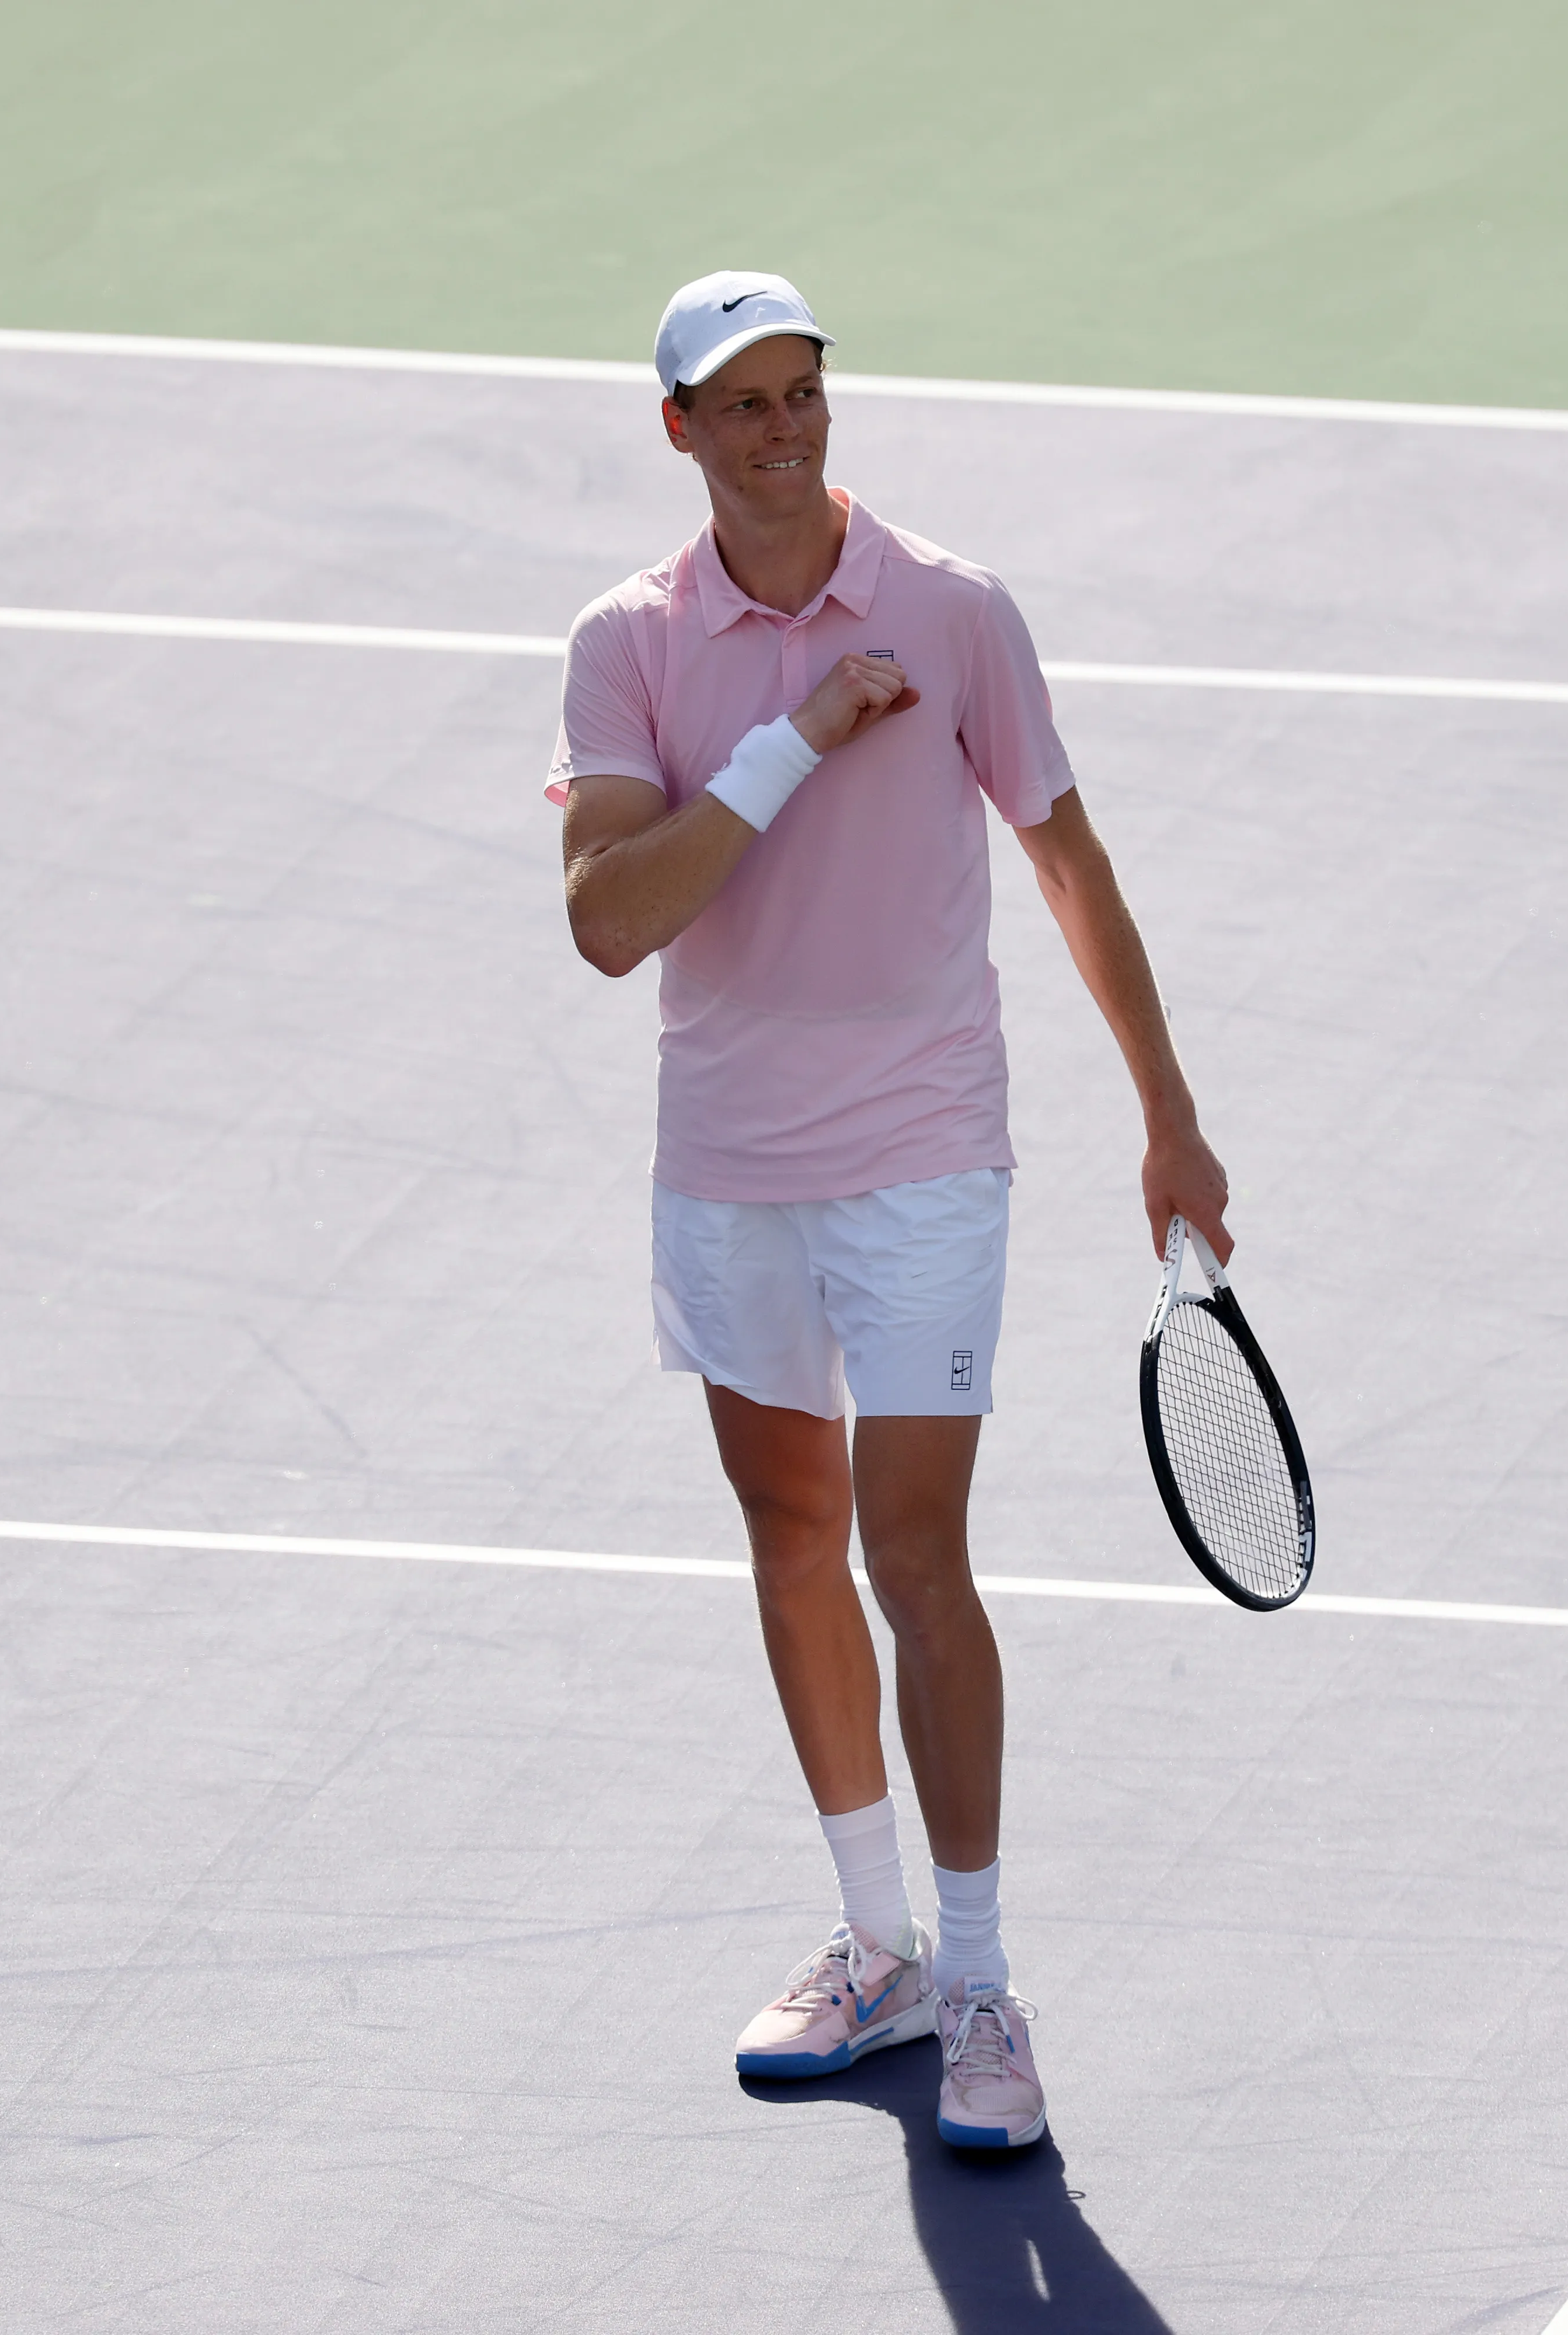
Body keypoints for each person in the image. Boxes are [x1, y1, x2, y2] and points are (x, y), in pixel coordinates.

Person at [547, 270, 1229, 2152]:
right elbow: (612, 922)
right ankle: (881, 1951)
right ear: (678, 430)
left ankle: (988, 1985)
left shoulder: (955, 610)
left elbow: (1068, 863)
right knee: (791, 1532)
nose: (786, 429)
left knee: (914, 1552)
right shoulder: (627, 644)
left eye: (806, 395)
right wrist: (793, 742)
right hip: (732, 1163)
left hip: (927, 1149)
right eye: (743, 405)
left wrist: (1167, 1111)